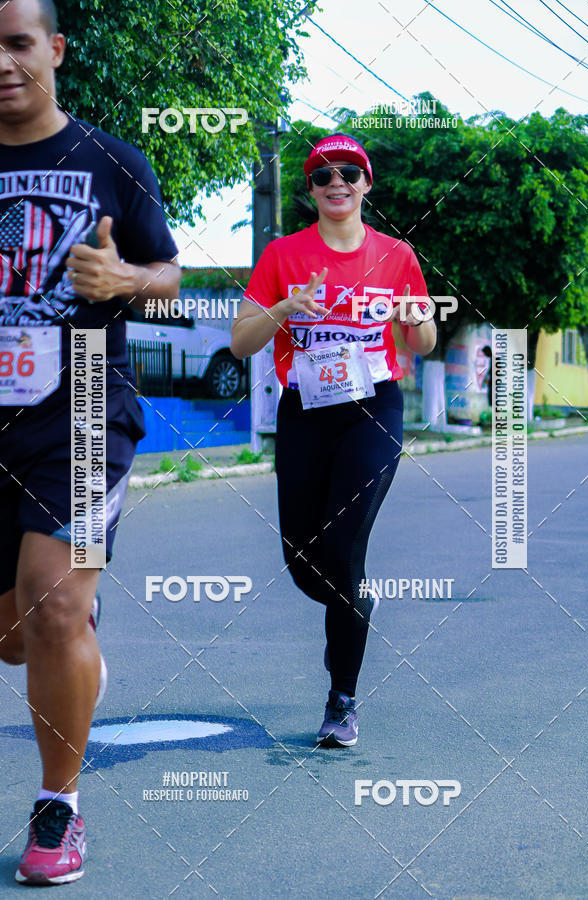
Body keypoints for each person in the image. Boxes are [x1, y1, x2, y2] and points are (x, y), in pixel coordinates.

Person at [0, 0, 180, 884]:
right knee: (15, 635)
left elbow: (170, 276)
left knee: (53, 605)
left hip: (82, 403)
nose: (3, 62)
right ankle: (73, 640)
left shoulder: (112, 161)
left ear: (56, 48)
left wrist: (124, 277)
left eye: (18, 43)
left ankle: (59, 808)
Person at [231, 133, 437, 747]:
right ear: (312, 190)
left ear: (366, 184)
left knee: (345, 547)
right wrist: (285, 308)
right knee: (304, 563)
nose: (337, 182)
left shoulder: (396, 255)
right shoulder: (282, 255)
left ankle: (341, 699)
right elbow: (241, 342)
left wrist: (417, 320)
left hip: (373, 411)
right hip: (305, 413)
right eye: (324, 175)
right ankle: (354, 605)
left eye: (350, 172)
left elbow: (422, 342)